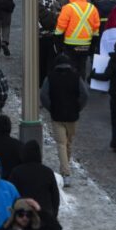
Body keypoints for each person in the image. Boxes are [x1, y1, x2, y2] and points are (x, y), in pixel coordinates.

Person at [39, 53, 88, 187]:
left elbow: (43, 95)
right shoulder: (76, 77)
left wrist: (51, 108)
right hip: (73, 116)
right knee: (68, 142)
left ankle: (65, 171)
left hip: (57, 115)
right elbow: (85, 94)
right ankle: (66, 170)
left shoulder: (50, 77)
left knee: (61, 143)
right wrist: (78, 107)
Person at [54, 0, 100, 77]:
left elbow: (60, 29)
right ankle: (81, 87)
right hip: (85, 45)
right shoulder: (93, 8)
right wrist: (92, 48)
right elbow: (96, 31)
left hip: (70, 45)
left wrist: (58, 46)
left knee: (70, 67)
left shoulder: (68, 8)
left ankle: (71, 87)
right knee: (82, 67)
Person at [7, 140, 60, 220]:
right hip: (44, 214)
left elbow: (10, 195)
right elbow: (55, 197)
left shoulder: (16, 171)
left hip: (23, 215)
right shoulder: (47, 172)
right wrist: (53, 215)